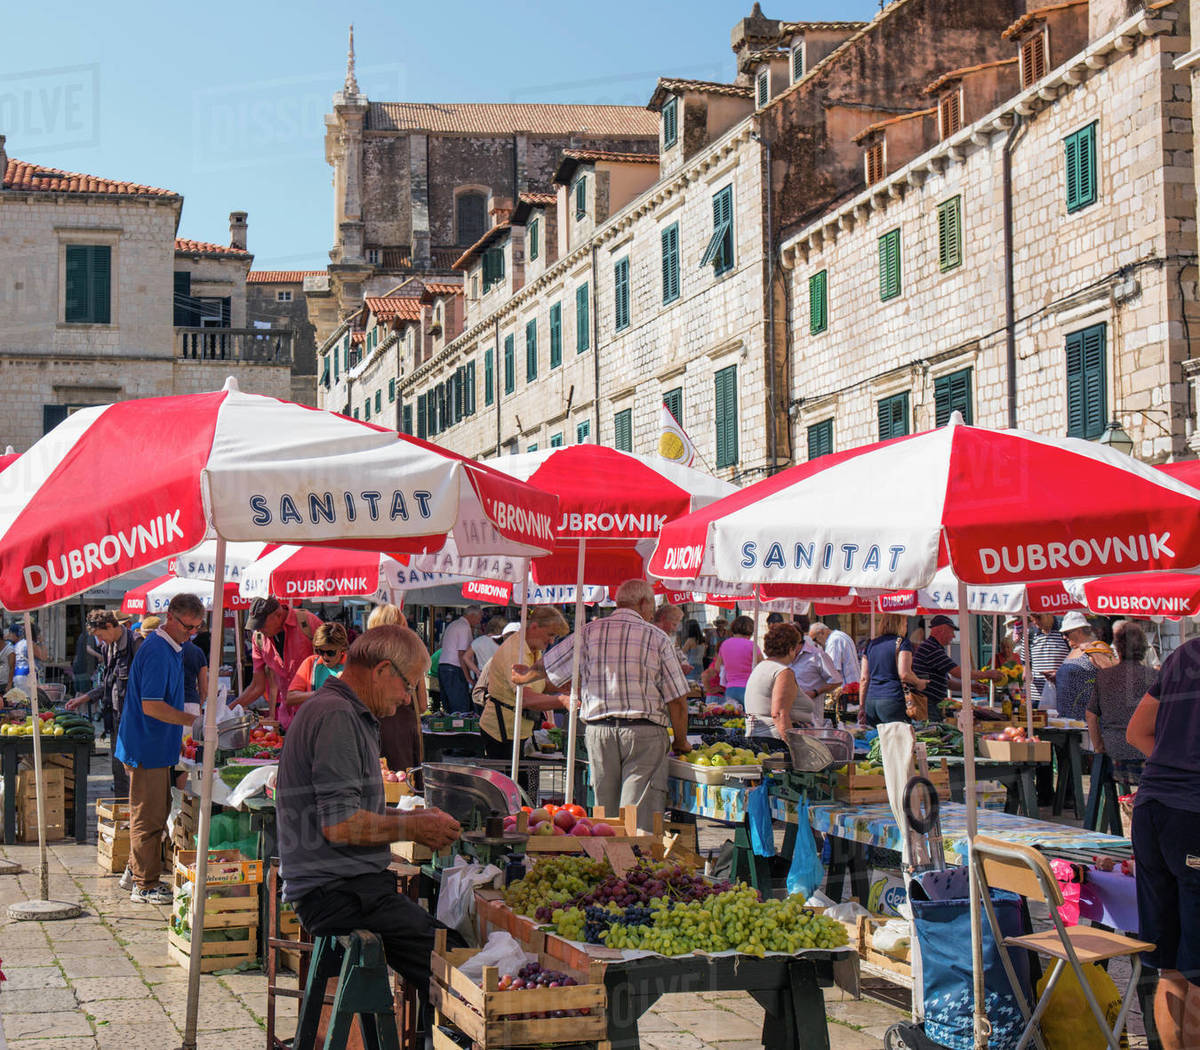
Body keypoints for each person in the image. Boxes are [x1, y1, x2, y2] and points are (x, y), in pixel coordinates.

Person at [276, 625, 464, 1010]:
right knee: (459, 964)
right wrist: (412, 826)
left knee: (449, 949)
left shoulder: (345, 711)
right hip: (336, 894)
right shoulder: (337, 716)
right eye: (409, 685)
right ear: (381, 671)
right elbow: (340, 824)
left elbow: (342, 811)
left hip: (345, 886)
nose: (409, 699)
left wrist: (408, 814)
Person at [537, 580, 690, 831]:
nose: (652, 613)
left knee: (604, 815)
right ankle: (633, 865)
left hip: (599, 731)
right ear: (642, 603)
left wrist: (526, 674)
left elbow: (550, 664)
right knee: (637, 817)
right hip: (644, 734)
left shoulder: (589, 631)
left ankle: (607, 863)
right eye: (652, 605)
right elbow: (678, 699)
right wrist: (681, 740)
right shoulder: (657, 637)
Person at [1126, 636, 1200, 1050]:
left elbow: (1138, 732)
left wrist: (1176, 768)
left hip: (1152, 808)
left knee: (1170, 966)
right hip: (1191, 817)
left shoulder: (1184, 654)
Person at [116, 593, 205, 904]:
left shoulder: (172, 648)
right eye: (187, 626)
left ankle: (134, 872)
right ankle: (145, 884)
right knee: (149, 818)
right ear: (170, 616)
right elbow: (152, 705)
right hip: (146, 746)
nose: (191, 633)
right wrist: (192, 721)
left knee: (156, 812)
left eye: (196, 628)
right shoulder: (157, 651)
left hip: (156, 747)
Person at [860, 613, 928, 867]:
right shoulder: (902, 643)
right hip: (892, 701)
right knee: (898, 759)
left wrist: (861, 704)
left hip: (873, 702)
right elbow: (903, 674)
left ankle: (883, 795)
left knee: (880, 754)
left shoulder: (870, 644)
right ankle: (899, 804)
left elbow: (864, 677)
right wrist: (921, 682)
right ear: (901, 623)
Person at [67, 609, 143, 796]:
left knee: (133, 766)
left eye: (100, 635)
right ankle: (122, 808)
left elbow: (147, 683)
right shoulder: (108, 647)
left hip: (135, 717)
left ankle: (135, 811)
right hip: (116, 715)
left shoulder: (136, 644)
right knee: (118, 766)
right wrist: (84, 698)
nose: (100, 641)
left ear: (110, 626)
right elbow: (107, 684)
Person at [479, 607, 569, 759]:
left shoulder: (533, 647)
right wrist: (564, 700)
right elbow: (526, 699)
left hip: (519, 730)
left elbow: (538, 685)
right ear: (534, 627)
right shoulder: (516, 652)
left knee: (524, 781)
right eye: (550, 634)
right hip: (501, 732)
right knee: (508, 782)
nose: (552, 641)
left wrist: (565, 686)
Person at [230, 597, 321, 729]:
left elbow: (335, 664)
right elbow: (257, 686)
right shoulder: (259, 639)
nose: (259, 629)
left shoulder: (307, 622)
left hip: (315, 716)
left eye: (261, 624)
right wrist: (228, 709)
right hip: (287, 720)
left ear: (278, 614)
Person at [1088, 621, 1155, 787]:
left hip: (1114, 752)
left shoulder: (1104, 677)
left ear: (1117, 649)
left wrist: (1098, 747)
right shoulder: (1154, 677)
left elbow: (1090, 715)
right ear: (1144, 649)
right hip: (1147, 752)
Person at [367, 604, 428, 772]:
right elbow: (422, 706)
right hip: (401, 731)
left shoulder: (364, 656)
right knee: (403, 787)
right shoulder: (412, 656)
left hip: (370, 729)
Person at [912, 615, 1003, 719]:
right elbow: (958, 673)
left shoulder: (934, 647)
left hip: (932, 703)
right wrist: (987, 674)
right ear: (942, 630)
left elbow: (947, 682)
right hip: (927, 704)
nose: (954, 636)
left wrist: (970, 687)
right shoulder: (931, 648)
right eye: (952, 632)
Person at [744, 622, 806, 740]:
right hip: (774, 740)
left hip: (756, 736)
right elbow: (779, 714)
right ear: (791, 649)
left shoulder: (761, 667)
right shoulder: (783, 672)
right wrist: (793, 745)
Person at [1054, 611, 1116, 721]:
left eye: (1066, 633)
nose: (1064, 637)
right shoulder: (1074, 649)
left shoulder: (1097, 646)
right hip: (1067, 718)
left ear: (1079, 631)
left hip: (1086, 718)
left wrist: (1092, 651)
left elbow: (1114, 671)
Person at [287, 623, 349, 710]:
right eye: (320, 651)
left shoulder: (352, 666)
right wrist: (319, 694)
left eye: (331, 653)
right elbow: (290, 698)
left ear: (342, 648)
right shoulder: (311, 663)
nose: (325, 657)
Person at [705, 615, 760, 706]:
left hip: (730, 689)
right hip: (749, 688)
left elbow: (717, 667)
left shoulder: (725, 644)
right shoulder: (752, 646)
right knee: (750, 719)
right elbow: (762, 666)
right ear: (751, 631)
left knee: (733, 718)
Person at [792, 624, 842, 722]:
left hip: (810, 717)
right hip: (788, 716)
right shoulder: (782, 655)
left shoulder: (817, 655)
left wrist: (815, 692)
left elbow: (836, 680)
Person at [438, 606, 482, 712]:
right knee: (460, 709)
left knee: (450, 708)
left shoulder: (454, 624)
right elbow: (461, 654)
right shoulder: (464, 627)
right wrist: (468, 678)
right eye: (478, 619)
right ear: (472, 616)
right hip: (454, 669)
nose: (479, 622)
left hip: (444, 667)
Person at [1029, 613, 1070, 710]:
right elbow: (1025, 662)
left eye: (1038, 617)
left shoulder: (1064, 631)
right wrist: (1026, 672)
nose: (1035, 622)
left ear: (1048, 614)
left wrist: (1059, 674)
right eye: (1032, 619)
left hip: (1061, 694)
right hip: (1036, 696)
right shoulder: (1029, 634)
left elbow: (1074, 658)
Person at [652, 604, 691, 677]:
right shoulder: (651, 636)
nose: (675, 629)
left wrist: (684, 663)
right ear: (663, 619)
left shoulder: (667, 637)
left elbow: (676, 649)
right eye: (674, 624)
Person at [822, 621, 861, 690]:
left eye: (815, 639)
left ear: (822, 632)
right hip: (853, 684)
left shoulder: (834, 641)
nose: (816, 643)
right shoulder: (840, 635)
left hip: (846, 688)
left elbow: (832, 668)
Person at [72, 624, 99, 695]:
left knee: (79, 692)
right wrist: (99, 656)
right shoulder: (90, 635)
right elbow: (88, 648)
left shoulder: (83, 635)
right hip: (84, 668)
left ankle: (76, 705)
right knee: (85, 694)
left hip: (78, 667)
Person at [680, 619, 707, 684]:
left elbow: (681, 653)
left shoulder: (690, 640)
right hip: (700, 666)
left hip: (691, 666)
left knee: (691, 688)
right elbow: (704, 654)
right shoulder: (702, 639)